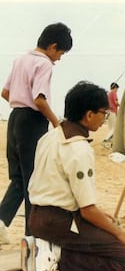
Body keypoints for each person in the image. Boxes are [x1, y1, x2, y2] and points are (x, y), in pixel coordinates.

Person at [22, 81, 125, 271]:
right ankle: (55, 255)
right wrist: (121, 234)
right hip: (58, 221)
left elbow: (63, 190)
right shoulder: (78, 149)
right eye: (104, 112)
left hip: (36, 216)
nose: (105, 118)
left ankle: (46, 247)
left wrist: (102, 217)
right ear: (89, 115)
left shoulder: (50, 137)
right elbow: (87, 211)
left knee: (105, 231)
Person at [0, 22, 73, 243]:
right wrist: (56, 124)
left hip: (15, 119)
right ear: (52, 46)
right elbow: (39, 99)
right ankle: (32, 235)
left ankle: (1, 221)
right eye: (60, 53)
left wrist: (19, 106)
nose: (58, 58)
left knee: (19, 179)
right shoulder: (44, 64)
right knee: (34, 179)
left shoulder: (21, 59)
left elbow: (5, 92)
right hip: (32, 121)